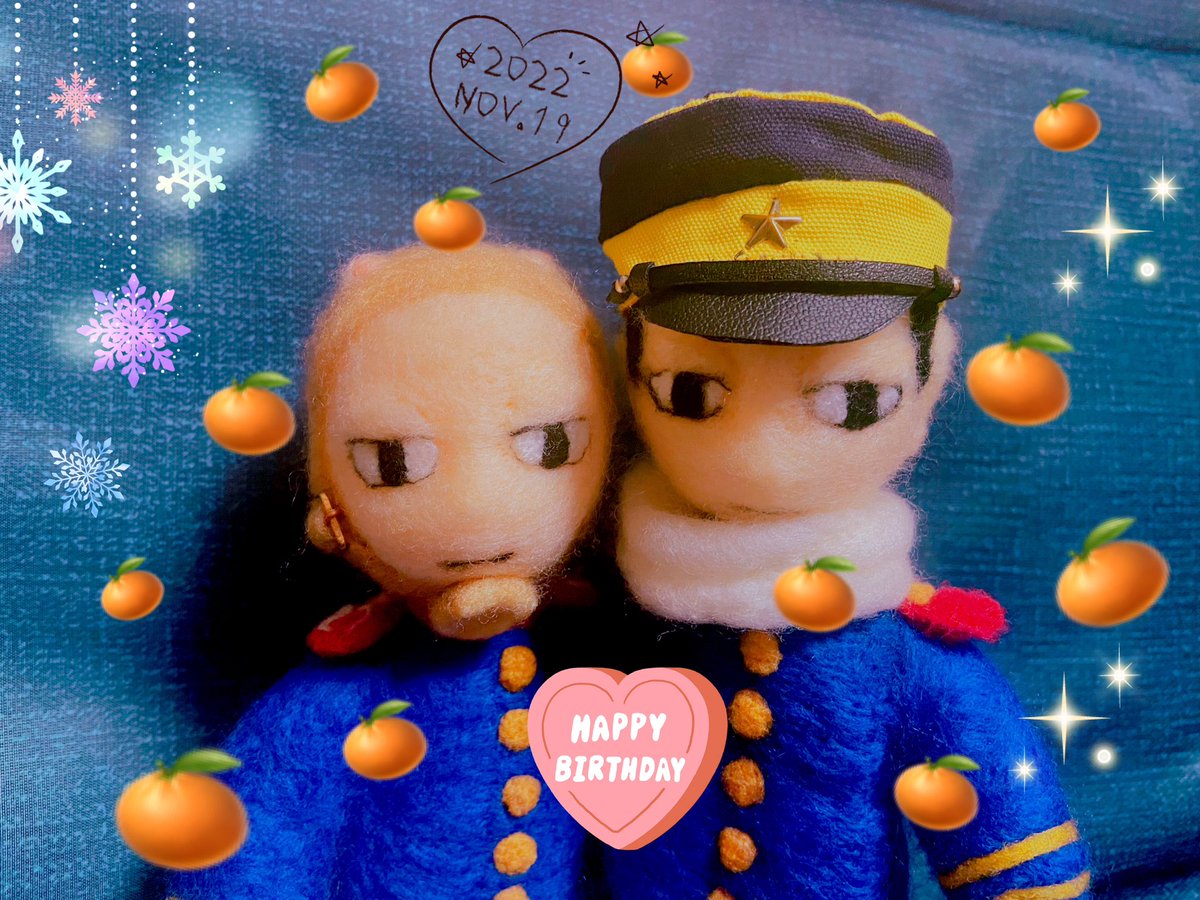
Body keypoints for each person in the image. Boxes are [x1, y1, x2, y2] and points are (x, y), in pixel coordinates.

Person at [596, 90, 1092, 899]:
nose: (763, 461)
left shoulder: (907, 651)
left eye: (853, 400)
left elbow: (1008, 829)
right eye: (691, 392)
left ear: (929, 382)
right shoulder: (614, 626)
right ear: (630, 373)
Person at [170, 243, 614, 899]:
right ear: (330, 502)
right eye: (395, 461)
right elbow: (262, 833)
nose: (476, 505)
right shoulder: (347, 696)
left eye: (550, 446)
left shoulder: (597, 657)